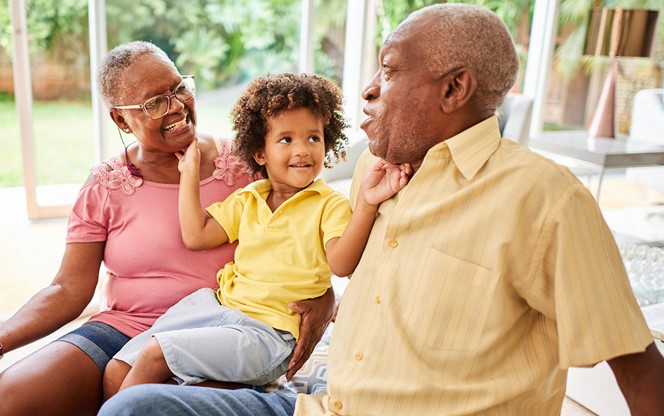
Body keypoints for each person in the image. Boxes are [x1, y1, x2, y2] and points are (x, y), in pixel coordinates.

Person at [98, 4, 664, 416]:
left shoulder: (544, 199)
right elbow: (352, 270)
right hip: (319, 400)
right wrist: (323, 296)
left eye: (389, 71)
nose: (367, 90)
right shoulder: (386, 177)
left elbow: (637, 366)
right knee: (139, 402)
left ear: (454, 89)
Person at [0, 42, 333, 416]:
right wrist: (2, 339)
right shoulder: (104, 184)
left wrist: (325, 297)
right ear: (121, 120)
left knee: (156, 407)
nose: (176, 105)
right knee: (10, 399)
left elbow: (308, 228)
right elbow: (67, 288)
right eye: (154, 103)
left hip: (226, 326)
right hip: (124, 327)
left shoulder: (248, 164)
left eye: (178, 88)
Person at [102, 73, 411, 396]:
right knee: (116, 369)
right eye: (286, 139)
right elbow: (196, 236)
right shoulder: (250, 198)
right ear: (260, 153)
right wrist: (189, 172)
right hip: (216, 310)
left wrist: (365, 203)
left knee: (155, 355)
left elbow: (341, 264)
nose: (303, 150)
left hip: (268, 334)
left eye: (313, 138)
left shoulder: (328, 205)